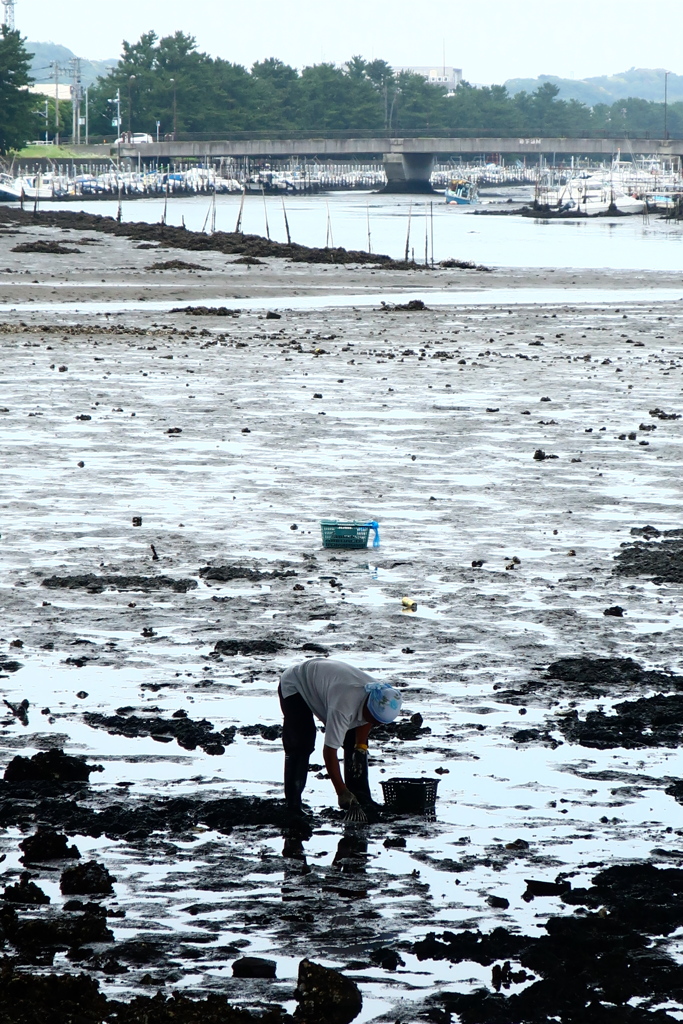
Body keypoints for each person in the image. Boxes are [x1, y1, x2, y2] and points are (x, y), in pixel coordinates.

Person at [278, 658, 402, 814]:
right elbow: (330, 752)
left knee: (353, 742)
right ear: (369, 708)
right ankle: (293, 805)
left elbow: (366, 720)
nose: (375, 724)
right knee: (301, 742)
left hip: (327, 681)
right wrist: (341, 791)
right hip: (296, 683)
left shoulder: (379, 692)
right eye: (374, 720)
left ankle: (361, 798)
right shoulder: (343, 707)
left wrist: (361, 747)